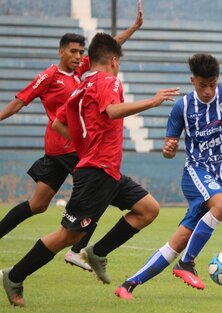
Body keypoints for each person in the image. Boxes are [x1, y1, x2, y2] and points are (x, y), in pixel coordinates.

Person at [0, 32, 180, 307]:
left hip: (106, 170)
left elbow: (58, 124)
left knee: (148, 209)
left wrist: (85, 144)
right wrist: (152, 102)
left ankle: (97, 252)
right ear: (114, 61)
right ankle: (14, 275)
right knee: (67, 236)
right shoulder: (108, 81)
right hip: (96, 171)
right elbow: (111, 111)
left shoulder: (80, 86)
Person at [114, 53, 222, 299]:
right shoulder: (182, 107)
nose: (208, 91)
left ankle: (128, 285)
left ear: (217, 80)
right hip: (195, 174)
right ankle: (187, 263)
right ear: (193, 81)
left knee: (179, 241)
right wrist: (168, 149)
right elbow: (169, 148)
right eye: (203, 86)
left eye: (212, 84)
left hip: (221, 181)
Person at [0, 0, 145, 272]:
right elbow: (21, 100)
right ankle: (77, 250)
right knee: (100, 189)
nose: (79, 57)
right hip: (66, 148)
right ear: (61, 52)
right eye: (73, 52)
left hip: (71, 148)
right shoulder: (49, 76)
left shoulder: (81, 73)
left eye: (81, 52)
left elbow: (107, 49)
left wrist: (133, 28)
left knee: (38, 204)